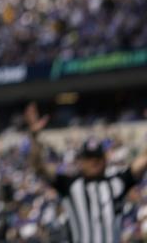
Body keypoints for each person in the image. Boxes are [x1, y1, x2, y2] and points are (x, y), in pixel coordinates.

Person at [25, 102, 147, 243]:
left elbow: (143, 160)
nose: (93, 162)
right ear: (81, 161)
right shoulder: (70, 184)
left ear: (105, 159)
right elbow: (39, 167)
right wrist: (34, 136)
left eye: (97, 158)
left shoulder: (117, 182)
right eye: (89, 158)